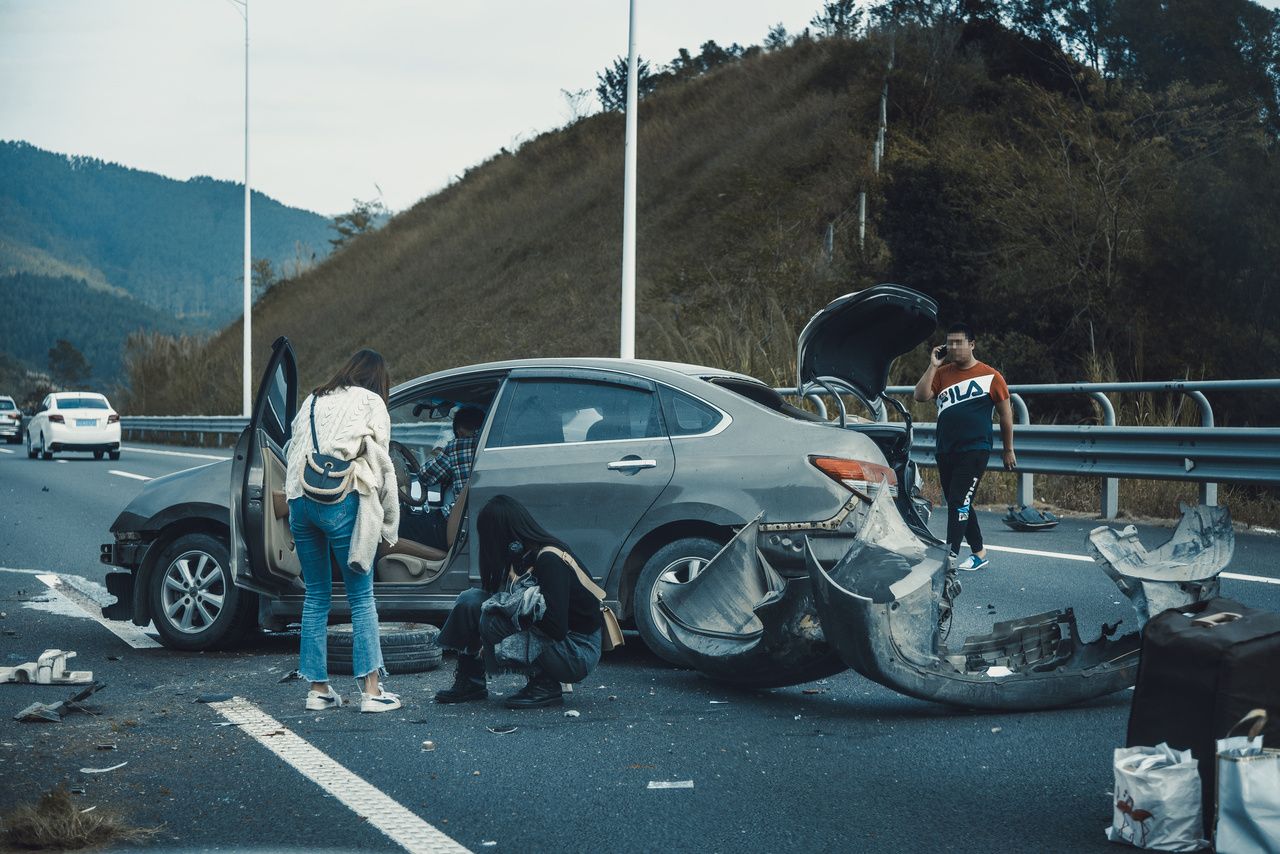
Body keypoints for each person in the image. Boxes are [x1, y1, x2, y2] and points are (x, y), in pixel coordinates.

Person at [285, 348, 402, 713]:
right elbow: (379, 454)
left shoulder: (313, 400)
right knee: (361, 598)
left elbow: (292, 445)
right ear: (377, 379)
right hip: (340, 498)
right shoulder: (371, 402)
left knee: (316, 595)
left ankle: (318, 691)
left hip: (299, 499)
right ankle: (371, 691)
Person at [435, 495, 603, 709]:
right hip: (558, 644)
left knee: (493, 617)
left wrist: (510, 617)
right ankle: (471, 681)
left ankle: (545, 684)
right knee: (471, 600)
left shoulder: (549, 559)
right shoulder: (524, 555)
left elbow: (556, 627)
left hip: (576, 652)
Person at [913, 323, 1017, 571]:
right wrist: (933, 365)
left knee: (959, 500)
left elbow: (1005, 415)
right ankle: (979, 553)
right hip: (946, 449)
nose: (954, 347)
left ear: (972, 344)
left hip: (975, 448)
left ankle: (949, 557)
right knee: (958, 501)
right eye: (950, 343)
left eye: (960, 342)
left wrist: (1008, 449)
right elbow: (920, 395)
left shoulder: (991, 376)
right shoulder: (942, 373)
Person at [414, 406, 484, 548]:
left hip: (460, 523)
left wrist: (437, 452)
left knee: (408, 526)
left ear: (460, 431)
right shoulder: (489, 446)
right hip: (481, 519)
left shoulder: (457, 446)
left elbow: (425, 476)